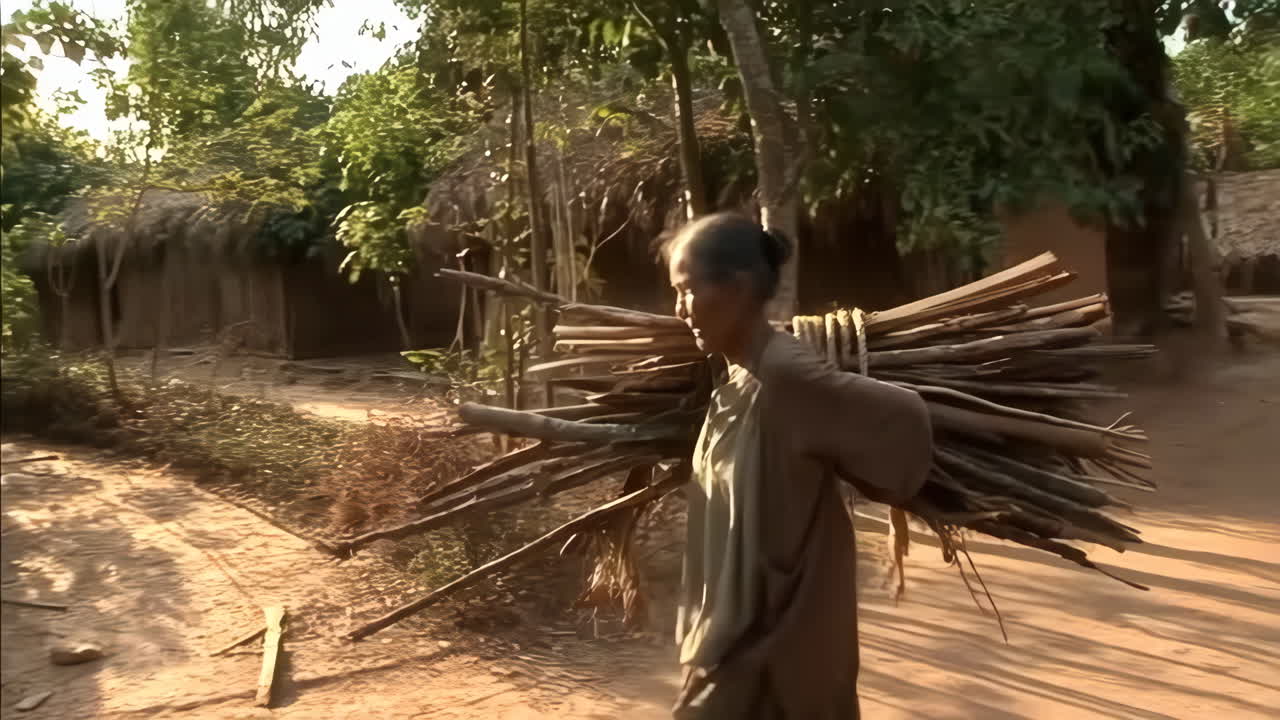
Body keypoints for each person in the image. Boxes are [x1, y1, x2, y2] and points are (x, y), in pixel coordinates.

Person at [665, 212, 934, 719]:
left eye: (686, 290)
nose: (679, 310)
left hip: (781, 652)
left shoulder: (786, 376)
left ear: (740, 289)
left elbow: (904, 419)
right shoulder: (735, 378)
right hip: (731, 644)